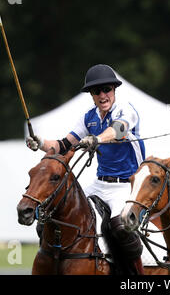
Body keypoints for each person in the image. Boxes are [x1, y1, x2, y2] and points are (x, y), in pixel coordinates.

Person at [26, 64, 146, 275]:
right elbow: (64, 144)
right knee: (58, 213)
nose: (102, 95)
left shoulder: (125, 110)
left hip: (127, 185)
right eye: (96, 91)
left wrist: (97, 139)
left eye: (106, 89)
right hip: (99, 184)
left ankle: (137, 274)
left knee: (120, 227)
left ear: (114, 90)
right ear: (91, 95)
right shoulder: (89, 117)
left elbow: (119, 130)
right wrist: (41, 142)